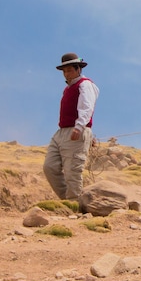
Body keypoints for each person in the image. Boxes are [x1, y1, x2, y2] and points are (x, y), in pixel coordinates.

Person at [43, 52, 99, 200]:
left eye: (70, 70)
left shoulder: (85, 84)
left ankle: (74, 204)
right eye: (65, 71)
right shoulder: (68, 89)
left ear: (78, 69)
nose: (67, 74)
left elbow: (87, 107)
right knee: (50, 167)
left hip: (75, 131)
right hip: (61, 132)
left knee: (72, 171)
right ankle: (67, 199)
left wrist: (80, 127)